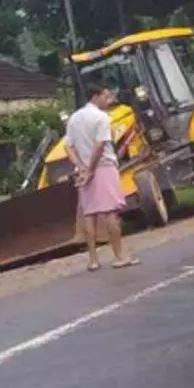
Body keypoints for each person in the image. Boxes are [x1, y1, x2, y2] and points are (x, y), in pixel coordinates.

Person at [64, 83, 139, 270]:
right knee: (110, 211)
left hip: (83, 170)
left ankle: (93, 260)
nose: (108, 100)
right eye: (105, 97)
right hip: (103, 166)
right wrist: (90, 168)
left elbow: (68, 146)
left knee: (89, 213)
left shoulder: (74, 118)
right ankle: (120, 256)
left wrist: (81, 167)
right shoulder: (101, 118)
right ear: (95, 96)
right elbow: (99, 146)